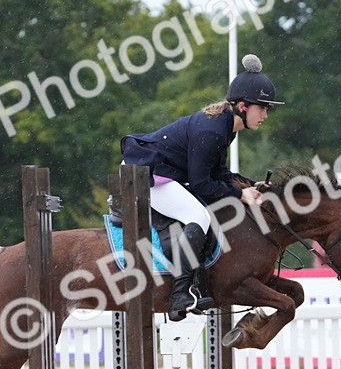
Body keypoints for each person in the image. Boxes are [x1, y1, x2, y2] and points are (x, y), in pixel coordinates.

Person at [120, 53, 280, 320]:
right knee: (198, 216)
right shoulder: (213, 131)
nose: (265, 114)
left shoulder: (225, 127)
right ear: (242, 106)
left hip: (163, 171)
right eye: (261, 108)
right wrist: (240, 194)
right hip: (146, 173)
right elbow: (202, 184)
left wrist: (252, 184)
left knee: (203, 211)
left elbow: (218, 173)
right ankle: (179, 294)